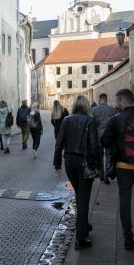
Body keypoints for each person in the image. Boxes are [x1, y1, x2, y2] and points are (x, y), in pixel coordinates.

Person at [101, 89, 134, 250]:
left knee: (125, 199)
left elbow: (104, 142)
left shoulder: (115, 120)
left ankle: (128, 236)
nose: (117, 105)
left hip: (123, 167)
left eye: (118, 102)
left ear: (123, 102)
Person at [54, 95, 100, 250]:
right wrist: (98, 166)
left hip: (70, 163)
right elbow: (94, 146)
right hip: (85, 162)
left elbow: (59, 143)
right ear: (87, 106)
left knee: (80, 194)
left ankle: (84, 226)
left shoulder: (67, 120)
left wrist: (57, 165)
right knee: (83, 199)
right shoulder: (90, 121)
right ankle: (81, 239)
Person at [91, 93, 117, 184]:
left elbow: (92, 125)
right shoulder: (113, 110)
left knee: (100, 156)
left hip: (98, 137)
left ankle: (102, 175)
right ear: (106, 99)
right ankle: (106, 175)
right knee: (108, 156)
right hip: (109, 138)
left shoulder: (93, 110)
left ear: (99, 99)